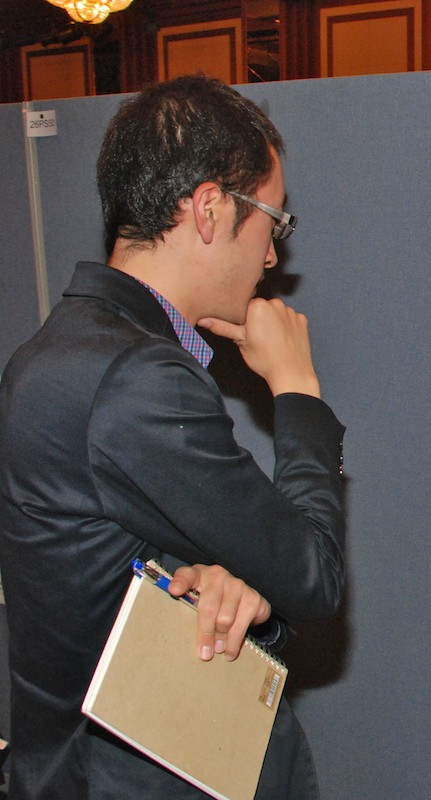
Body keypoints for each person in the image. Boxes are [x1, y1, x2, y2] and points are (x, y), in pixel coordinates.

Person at [0, 75, 346, 798]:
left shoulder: (62, 348)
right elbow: (312, 572)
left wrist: (237, 586)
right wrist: (297, 390)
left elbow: (122, 561)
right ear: (210, 209)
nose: (271, 257)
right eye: (273, 222)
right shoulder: (135, 379)